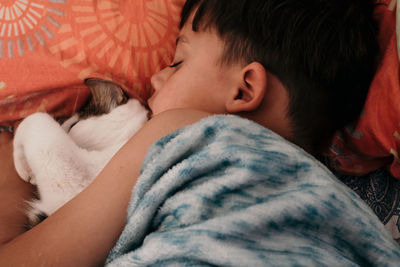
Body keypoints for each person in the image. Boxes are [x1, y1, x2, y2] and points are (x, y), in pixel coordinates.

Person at [1, 0, 396, 266]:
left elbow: (43, 255)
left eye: (177, 62)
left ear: (243, 90)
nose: (155, 77)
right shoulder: (344, 204)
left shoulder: (181, 130)